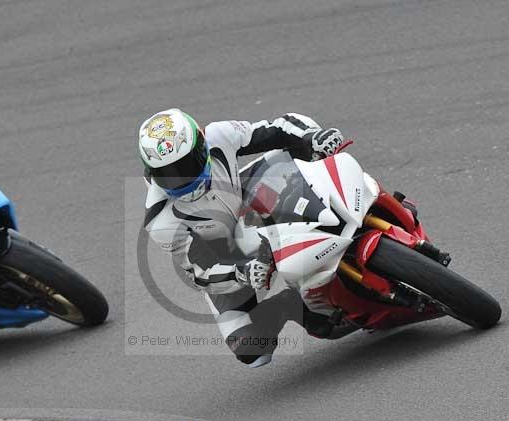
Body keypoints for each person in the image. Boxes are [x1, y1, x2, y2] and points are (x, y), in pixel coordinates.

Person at [139, 109, 354, 368]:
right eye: (168, 173)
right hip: (226, 257)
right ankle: (292, 304)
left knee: (304, 152)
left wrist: (312, 137)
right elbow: (201, 273)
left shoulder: (218, 135)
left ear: (201, 144)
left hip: (249, 202)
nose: (181, 178)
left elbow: (278, 128)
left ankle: (367, 208)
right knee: (250, 350)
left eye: (185, 166)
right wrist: (242, 273)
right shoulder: (160, 221)